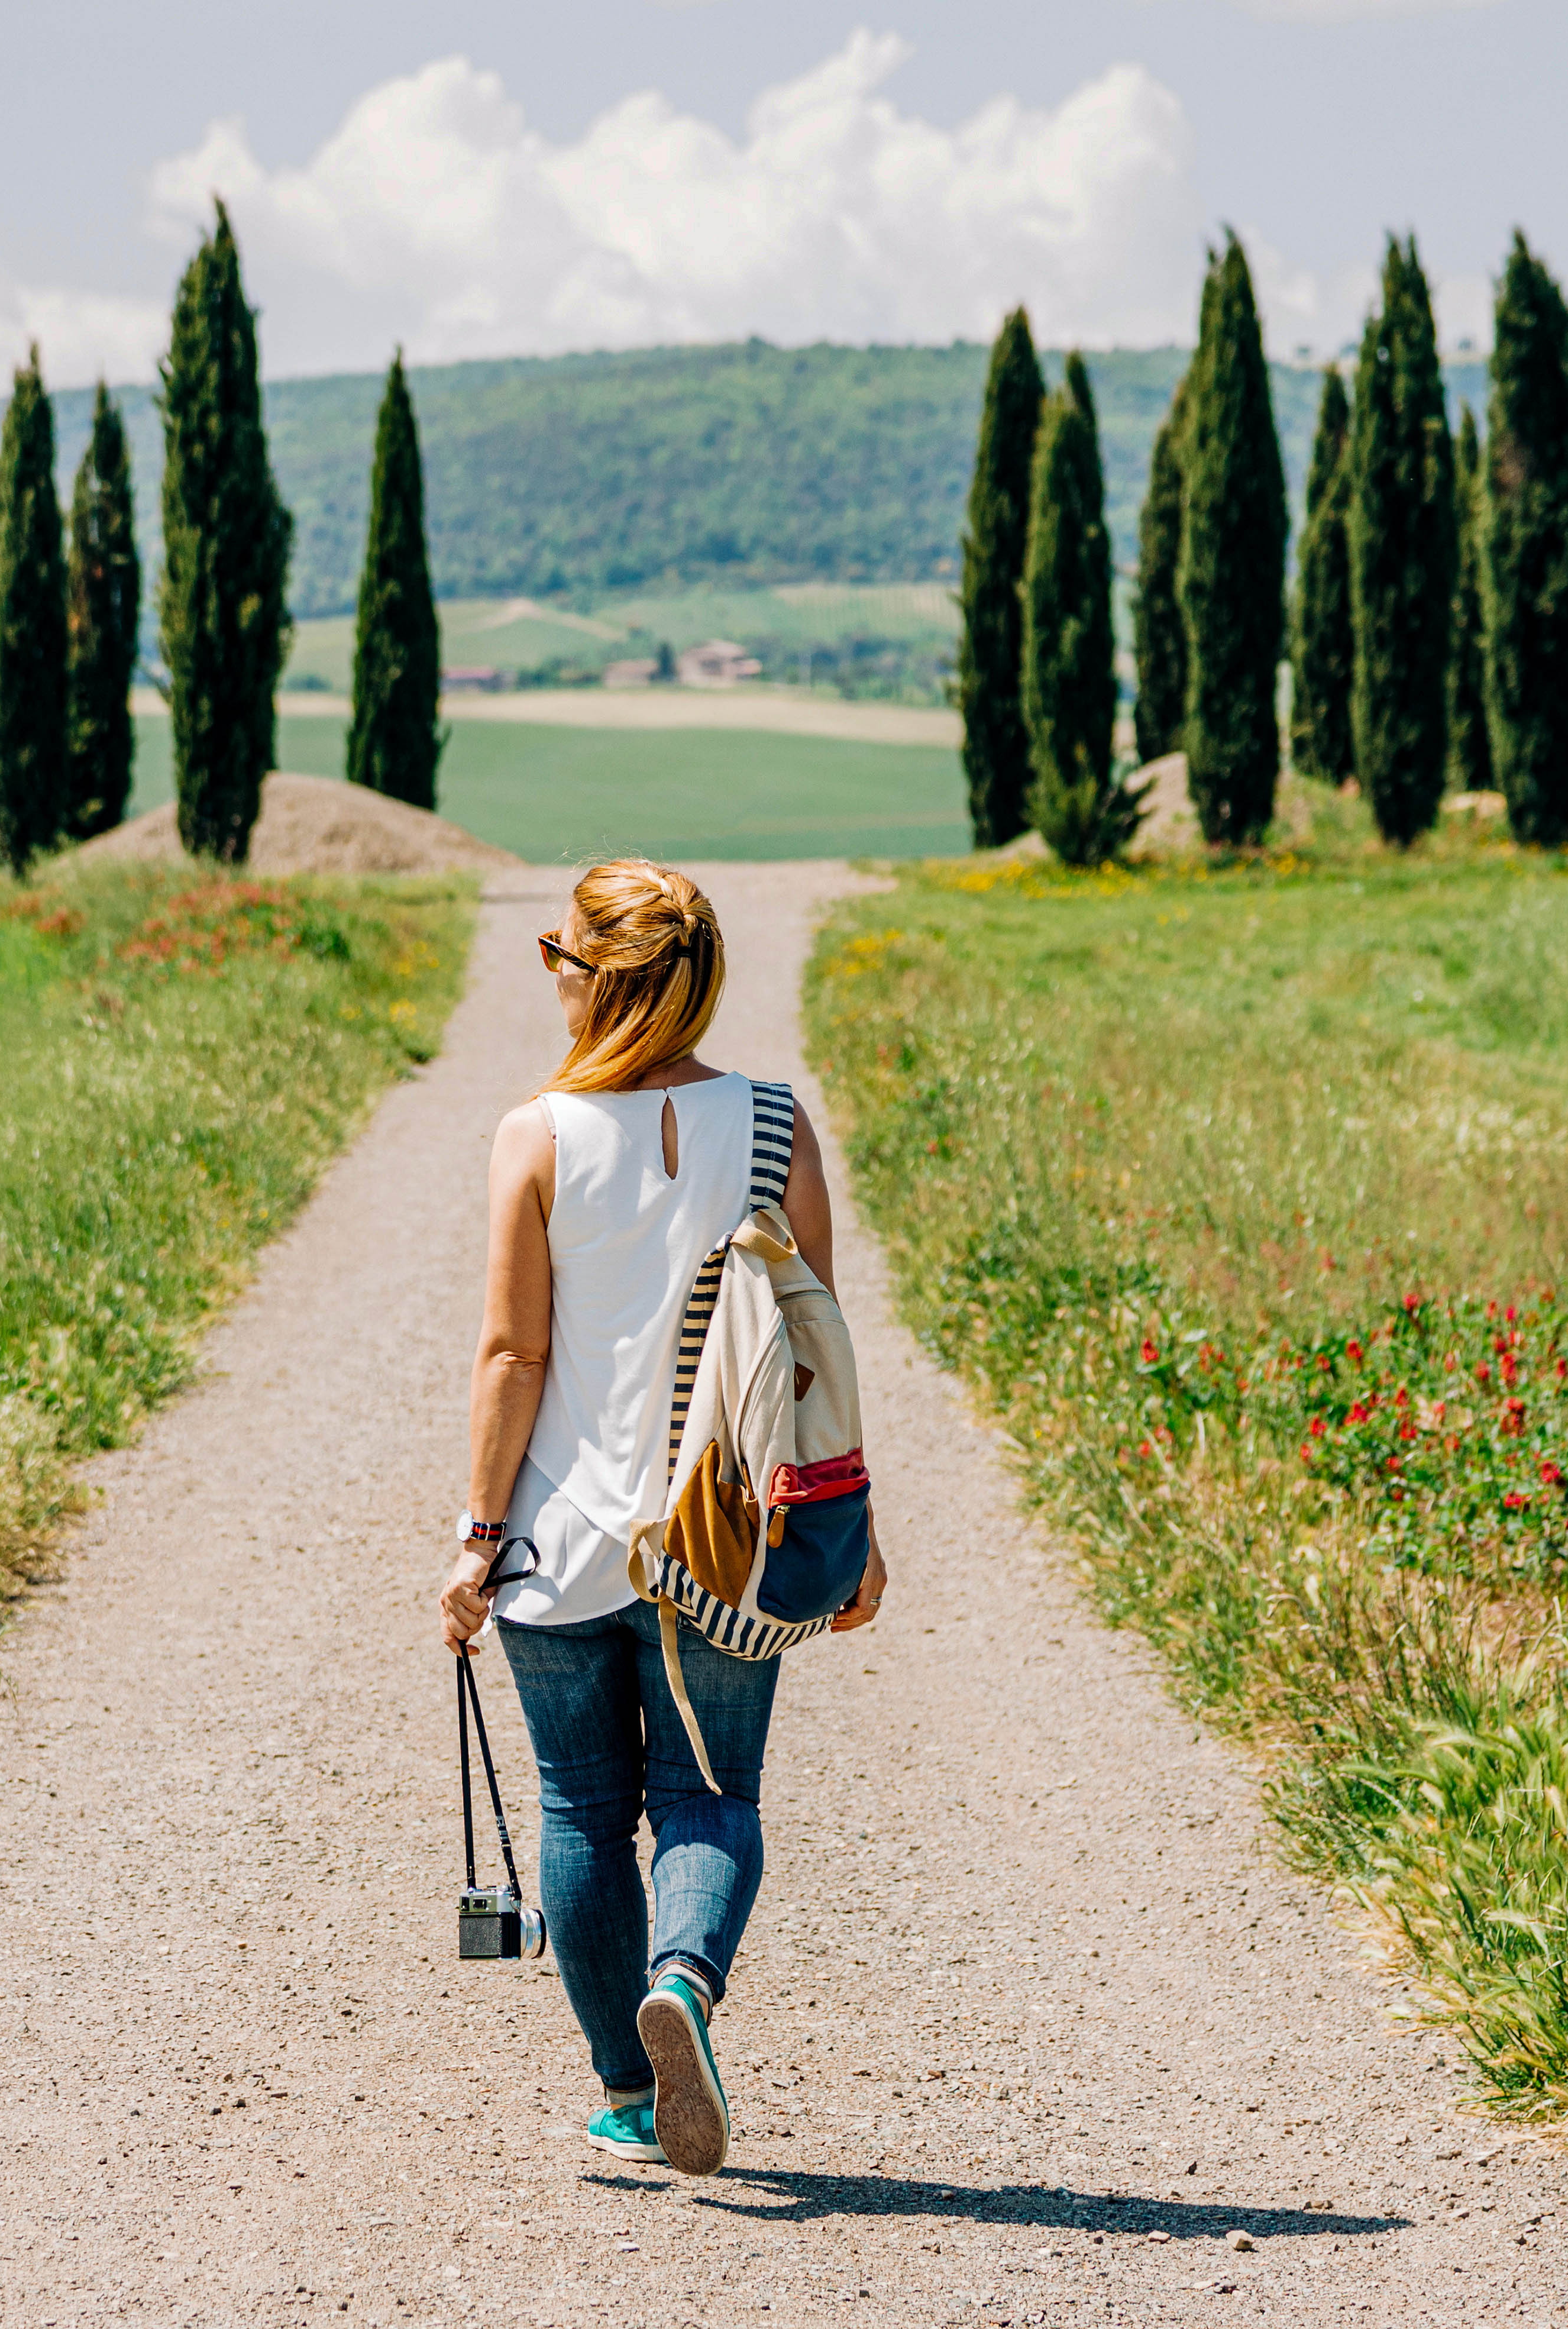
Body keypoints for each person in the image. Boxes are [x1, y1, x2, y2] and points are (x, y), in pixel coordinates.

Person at [438, 859, 888, 2178]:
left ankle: (633, 2093)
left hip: (560, 1540)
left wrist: (476, 1537)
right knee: (709, 1793)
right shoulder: (776, 1123)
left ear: (597, 977)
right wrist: (855, 1526)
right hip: (727, 1543)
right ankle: (682, 1985)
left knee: (582, 1806)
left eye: (559, 961)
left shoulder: (537, 1133)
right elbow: (816, 1352)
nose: (556, 984)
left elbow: (512, 1356)